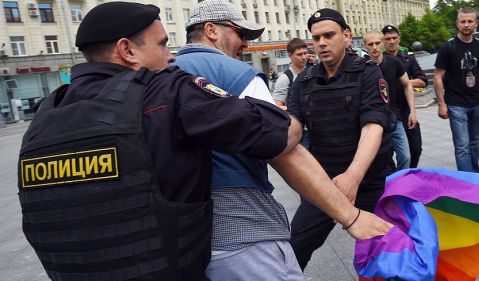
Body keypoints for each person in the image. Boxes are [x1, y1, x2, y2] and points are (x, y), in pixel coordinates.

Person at [16, 2, 392, 281]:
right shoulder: (168, 88)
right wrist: (350, 216)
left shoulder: (51, 111)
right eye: (163, 45)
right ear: (127, 50)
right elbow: (280, 140)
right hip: (216, 242)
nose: (170, 57)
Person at [175, 1, 301, 279]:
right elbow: (282, 144)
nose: (245, 43)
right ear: (211, 30)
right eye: (240, 33)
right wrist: (348, 216)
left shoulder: (165, 73)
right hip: (245, 228)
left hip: (187, 232)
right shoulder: (233, 72)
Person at [287, 9, 395, 270]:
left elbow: (373, 126)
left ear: (346, 36)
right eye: (316, 38)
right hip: (325, 184)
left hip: (370, 182)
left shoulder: (368, 73)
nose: (321, 42)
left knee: (390, 254)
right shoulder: (303, 81)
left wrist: (353, 176)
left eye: (328, 35)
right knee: (292, 251)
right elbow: (293, 128)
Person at [434, 7, 479, 173]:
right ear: (457, 23)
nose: (466, 25)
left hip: (476, 103)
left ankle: (474, 174)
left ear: (476, 23)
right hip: (456, 104)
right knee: (462, 146)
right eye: (463, 21)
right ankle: (466, 181)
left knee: (474, 143)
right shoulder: (448, 47)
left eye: (470, 21)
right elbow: (438, 76)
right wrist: (441, 104)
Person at [364, 30, 416, 171]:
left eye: (377, 43)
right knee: (381, 161)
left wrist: (412, 111)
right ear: (365, 46)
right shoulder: (362, 67)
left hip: (394, 118)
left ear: (382, 43)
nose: (374, 47)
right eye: (370, 44)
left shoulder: (395, 63)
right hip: (373, 122)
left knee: (405, 157)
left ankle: (399, 183)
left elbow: (407, 84)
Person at [382, 25, 425, 168]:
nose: (391, 41)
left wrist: (403, 81)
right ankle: (395, 178)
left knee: (415, 149)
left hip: (406, 110)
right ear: (383, 41)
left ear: (399, 39)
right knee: (387, 152)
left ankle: (409, 177)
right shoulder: (380, 61)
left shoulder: (408, 59)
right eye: (388, 39)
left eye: (394, 38)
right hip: (389, 111)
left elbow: (422, 81)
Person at [273, 38, 308, 107]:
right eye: (299, 54)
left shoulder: (312, 72)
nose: (304, 57)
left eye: (305, 53)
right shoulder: (284, 79)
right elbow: (277, 106)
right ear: (289, 55)